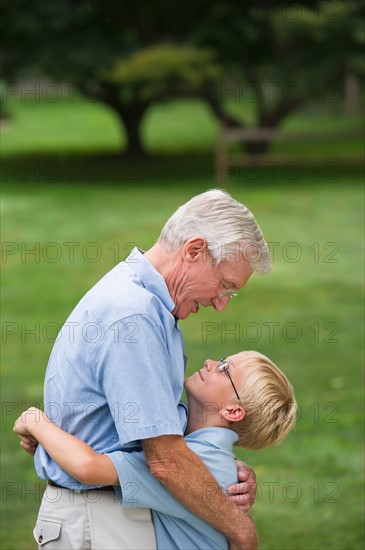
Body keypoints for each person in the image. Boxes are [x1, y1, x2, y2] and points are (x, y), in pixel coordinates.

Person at [15, 189, 271, 549]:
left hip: (110, 511)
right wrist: (240, 531)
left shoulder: (152, 307)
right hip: (101, 520)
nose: (219, 304)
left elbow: (151, 432)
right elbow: (165, 459)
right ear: (194, 250)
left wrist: (223, 473)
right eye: (224, 287)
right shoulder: (134, 315)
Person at [15, 351, 297, 550]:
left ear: (233, 411)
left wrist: (35, 421)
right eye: (222, 360)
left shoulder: (186, 464)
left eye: (225, 370)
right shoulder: (207, 454)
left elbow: (89, 468)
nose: (211, 362)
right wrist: (48, 447)